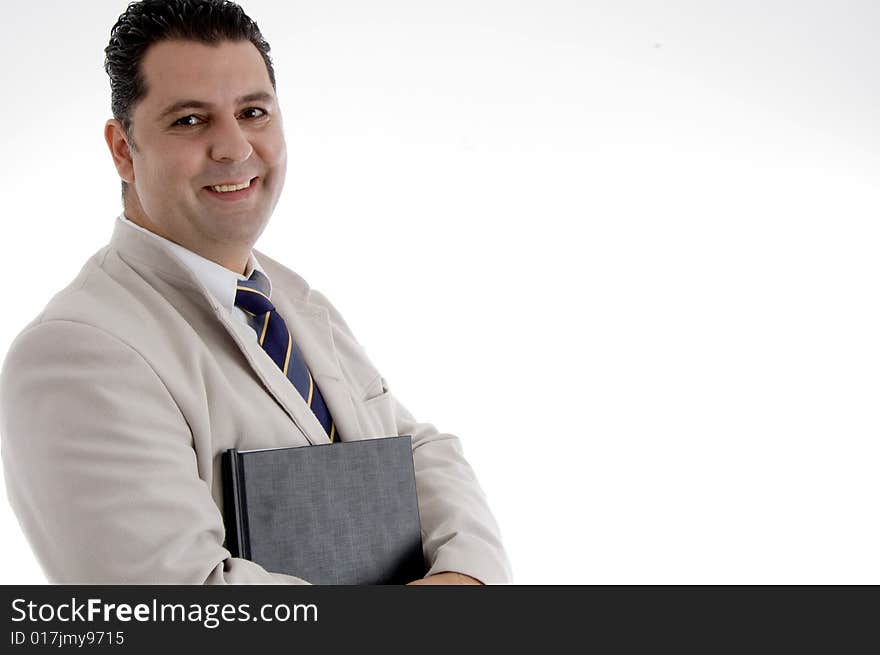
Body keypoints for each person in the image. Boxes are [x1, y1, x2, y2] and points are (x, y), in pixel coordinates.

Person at [0, 0, 511, 585]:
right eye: (190, 120)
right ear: (123, 150)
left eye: (253, 112)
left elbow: (422, 452)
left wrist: (468, 579)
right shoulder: (76, 353)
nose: (235, 148)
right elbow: (184, 601)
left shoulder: (287, 302)